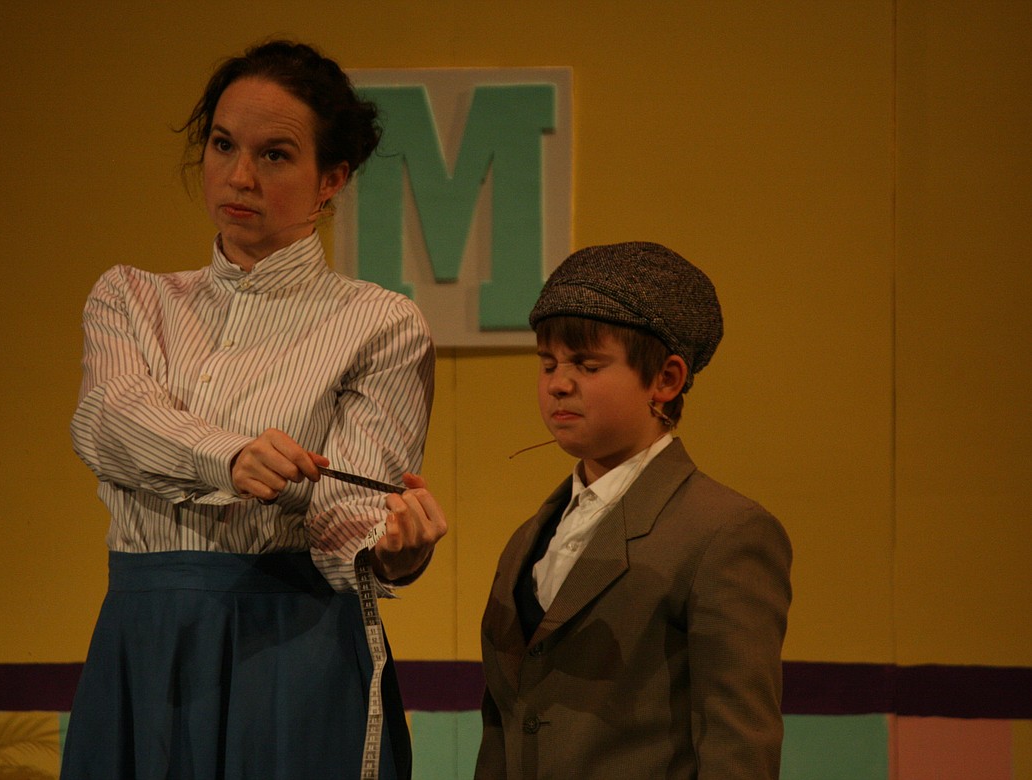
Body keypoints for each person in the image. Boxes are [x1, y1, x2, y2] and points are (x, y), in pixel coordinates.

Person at [61, 40, 446, 780]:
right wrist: (229, 456)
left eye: (275, 155)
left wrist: (394, 550)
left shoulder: (380, 323)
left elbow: (347, 514)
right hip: (143, 638)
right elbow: (108, 421)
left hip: (292, 648)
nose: (238, 176)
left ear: (330, 178)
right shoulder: (132, 297)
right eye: (222, 144)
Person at [475, 242, 792, 779]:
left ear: (665, 380)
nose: (558, 383)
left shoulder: (724, 531)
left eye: (587, 364)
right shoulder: (531, 536)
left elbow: (737, 740)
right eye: (548, 363)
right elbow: (504, 723)